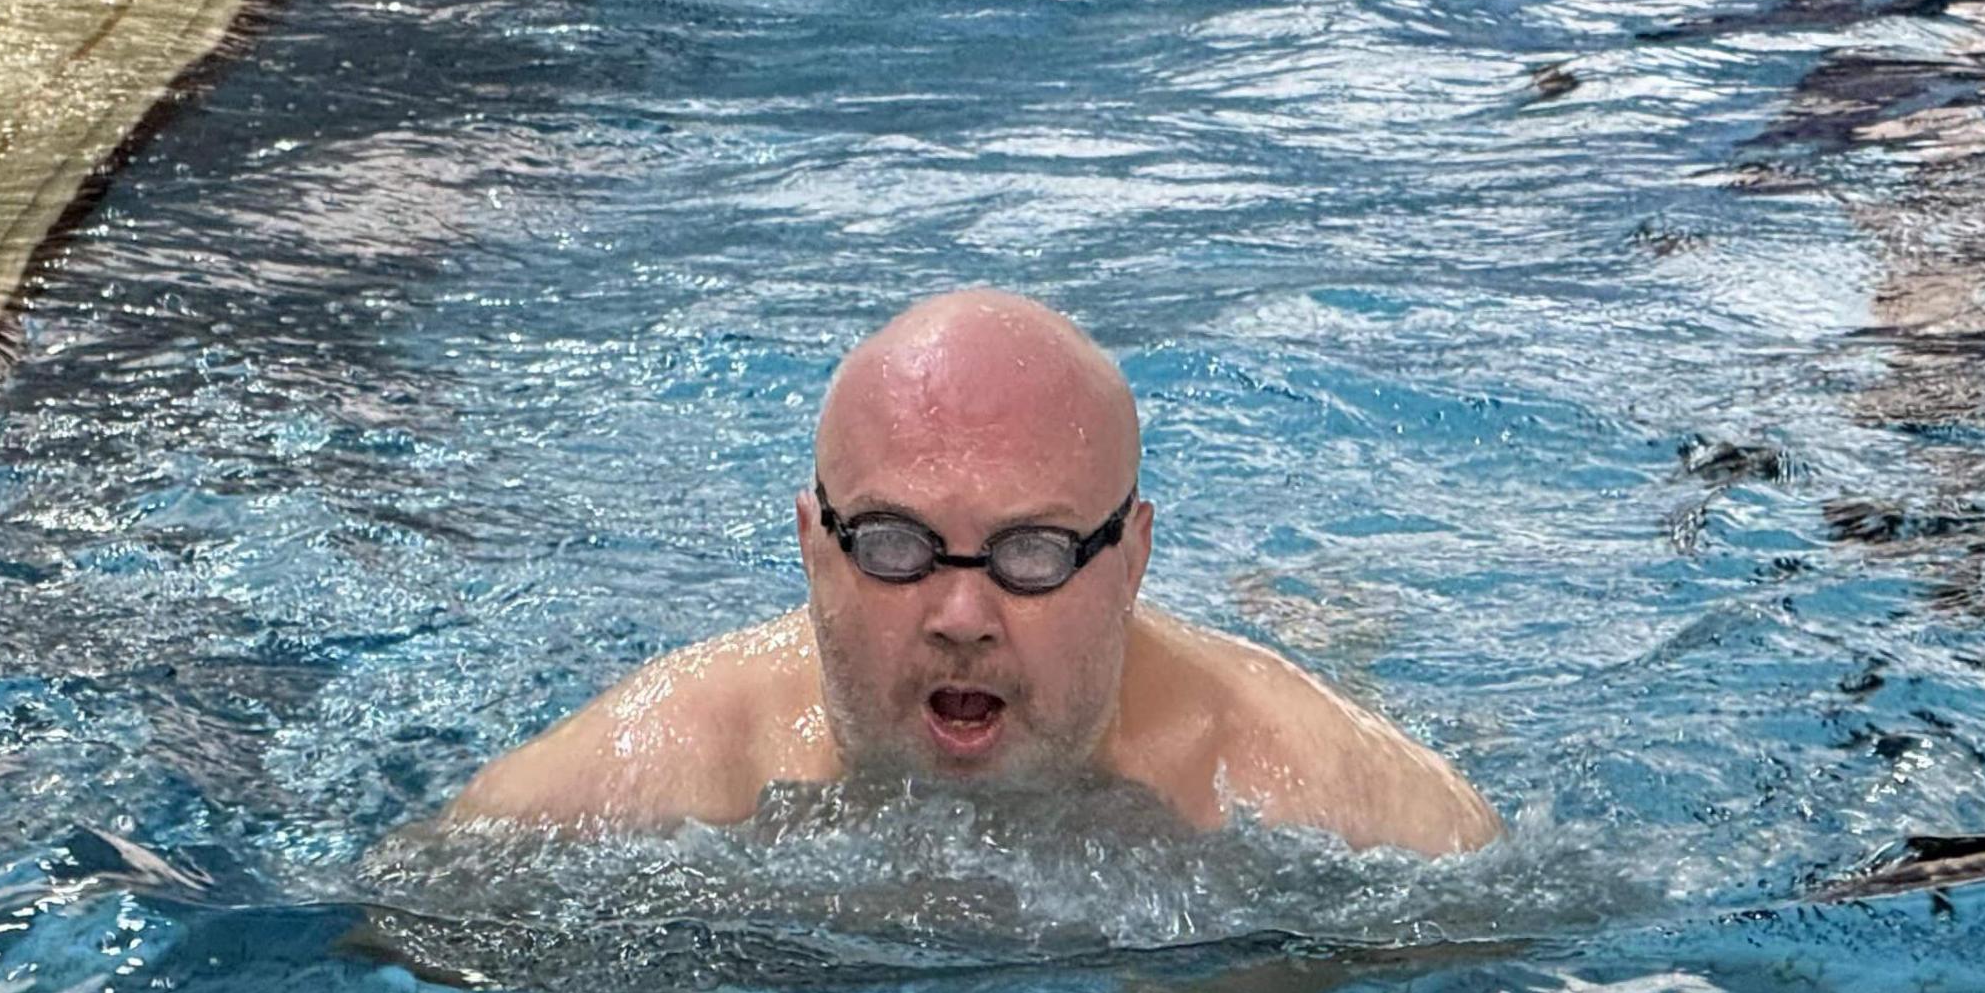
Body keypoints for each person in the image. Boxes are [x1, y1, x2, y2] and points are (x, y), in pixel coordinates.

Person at [449, 289, 1500, 854]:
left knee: (1322, 659)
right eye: (896, 544)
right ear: (816, 549)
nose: (961, 614)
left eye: (1032, 553)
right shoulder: (641, 780)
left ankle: (1324, 627)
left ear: (1130, 559)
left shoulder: (1325, 798)